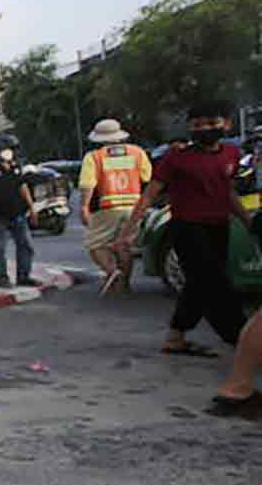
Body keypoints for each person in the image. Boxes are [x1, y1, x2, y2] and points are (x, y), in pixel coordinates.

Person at [117, 101, 251, 357]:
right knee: (215, 283)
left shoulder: (231, 154)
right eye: (198, 125)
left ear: (226, 124)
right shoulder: (177, 159)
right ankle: (242, 338)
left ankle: (175, 338)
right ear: (189, 128)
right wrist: (128, 232)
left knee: (197, 286)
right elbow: (149, 196)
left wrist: (248, 222)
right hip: (188, 229)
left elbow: (228, 193)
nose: (205, 129)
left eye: (212, 124)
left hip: (218, 226)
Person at [79, 118, 151, 295]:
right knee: (123, 245)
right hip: (134, 206)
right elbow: (148, 178)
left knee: (95, 244)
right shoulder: (137, 152)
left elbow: (87, 185)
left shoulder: (94, 157)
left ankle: (113, 272)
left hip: (107, 207)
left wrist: (84, 207)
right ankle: (124, 285)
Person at [0, 135, 39, 289]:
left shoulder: (17, 168)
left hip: (18, 214)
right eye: (8, 150)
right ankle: (2, 278)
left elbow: (23, 188)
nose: (11, 153)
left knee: (25, 245)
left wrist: (32, 207)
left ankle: (23, 276)